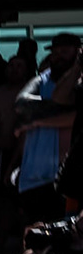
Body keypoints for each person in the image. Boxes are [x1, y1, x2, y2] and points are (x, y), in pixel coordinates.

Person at [14, 32, 80, 229]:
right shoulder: (42, 80)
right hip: (35, 177)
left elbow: (77, 118)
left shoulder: (80, 82)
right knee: (34, 233)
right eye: (56, 52)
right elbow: (22, 104)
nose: (58, 57)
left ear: (78, 53)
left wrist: (38, 121)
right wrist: (62, 109)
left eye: (65, 52)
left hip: (68, 178)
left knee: (67, 232)